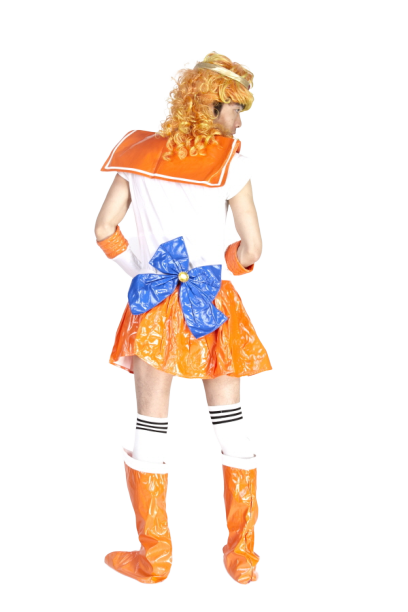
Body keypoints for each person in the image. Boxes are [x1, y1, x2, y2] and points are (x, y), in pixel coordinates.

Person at [95, 51, 273, 585]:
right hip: (210, 301)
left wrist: (141, 268)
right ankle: (242, 560)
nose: (239, 120)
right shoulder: (232, 164)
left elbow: (104, 231)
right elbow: (252, 250)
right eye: (235, 109)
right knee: (232, 427)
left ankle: (154, 561)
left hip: (153, 304)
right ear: (211, 108)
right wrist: (220, 264)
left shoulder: (136, 153)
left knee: (151, 426)